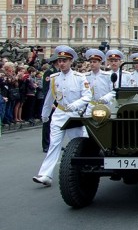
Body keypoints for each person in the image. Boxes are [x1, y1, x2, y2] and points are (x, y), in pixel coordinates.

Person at [33, 45, 92, 187]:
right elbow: (49, 98)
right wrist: (45, 115)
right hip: (59, 114)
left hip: (74, 115)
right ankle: (45, 174)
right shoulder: (54, 78)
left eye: (65, 60)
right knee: (54, 144)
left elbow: (87, 96)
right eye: (59, 60)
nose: (61, 63)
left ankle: (83, 172)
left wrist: (76, 105)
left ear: (71, 61)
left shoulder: (79, 77)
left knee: (77, 144)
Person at [40, 54, 59, 152]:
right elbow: (46, 88)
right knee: (47, 123)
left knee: (55, 124)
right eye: (60, 61)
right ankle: (46, 145)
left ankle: (53, 143)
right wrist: (49, 103)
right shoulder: (49, 72)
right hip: (50, 101)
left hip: (57, 101)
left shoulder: (59, 72)